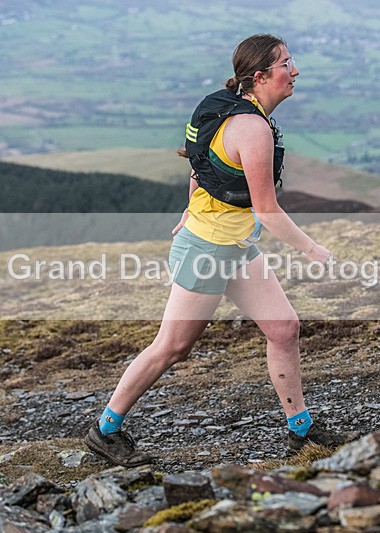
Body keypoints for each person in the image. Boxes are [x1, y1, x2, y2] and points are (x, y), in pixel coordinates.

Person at [85, 34, 355, 467]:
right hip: (207, 251)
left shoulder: (227, 107)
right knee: (172, 347)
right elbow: (267, 209)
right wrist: (311, 249)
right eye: (287, 63)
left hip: (234, 246)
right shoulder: (252, 128)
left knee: (284, 327)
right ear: (261, 75)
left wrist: (190, 205)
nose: (295, 70)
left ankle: (301, 431)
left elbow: (201, 165)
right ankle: (104, 430)